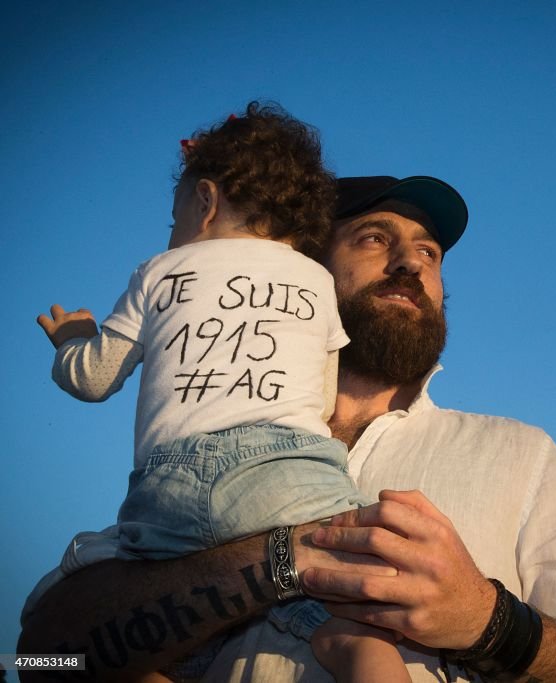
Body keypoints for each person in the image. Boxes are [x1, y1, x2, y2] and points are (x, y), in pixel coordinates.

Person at [20, 174, 556, 682]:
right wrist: (276, 562)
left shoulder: (522, 455)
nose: (412, 263)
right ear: (303, 274)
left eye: (429, 252)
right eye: (375, 238)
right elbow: (35, 661)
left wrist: (486, 620)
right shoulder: (189, 456)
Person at [31, 104, 408, 682]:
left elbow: (91, 379)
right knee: (352, 628)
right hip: (292, 479)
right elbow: (324, 402)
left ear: (204, 202)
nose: (173, 230)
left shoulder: (163, 269)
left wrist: (73, 338)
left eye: (174, 214)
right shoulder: (316, 280)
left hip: (169, 492)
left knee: (123, 644)